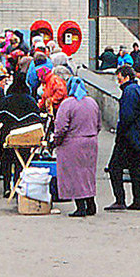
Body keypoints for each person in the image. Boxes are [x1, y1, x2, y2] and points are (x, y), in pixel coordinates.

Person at [52, 76, 100, 217]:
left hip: (72, 144)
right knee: (88, 174)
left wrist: (56, 141)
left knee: (75, 174)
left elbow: (61, 127)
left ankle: (80, 207)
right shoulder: (92, 102)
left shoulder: (67, 104)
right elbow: (98, 124)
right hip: (91, 142)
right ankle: (91, 204)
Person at [0, 73, 42, 198]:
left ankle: (6, 187)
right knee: (21, 161)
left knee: (7, 161)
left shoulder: (7, 100)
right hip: (25, 135)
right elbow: (37, 117)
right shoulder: (30, 100)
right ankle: (18, 185)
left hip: (8, 134)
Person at [107, 65, 140, 211]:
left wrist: (120, 135)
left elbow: (126, 117)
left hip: (128, 139)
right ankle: (139, 201)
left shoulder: (129, 92)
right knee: (136, 170)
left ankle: (120, 200)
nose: (118, 83)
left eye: (119, 79)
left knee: (114, 168)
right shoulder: (138, 90)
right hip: (138, 137)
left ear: (126, 77)